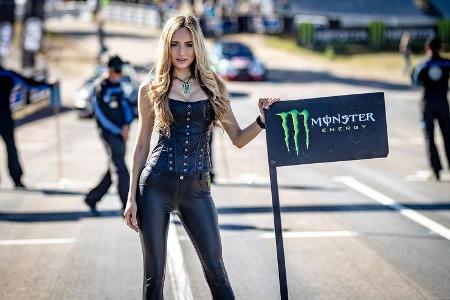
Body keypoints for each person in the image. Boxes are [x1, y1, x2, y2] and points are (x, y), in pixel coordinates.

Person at [122, 15, 279, 299]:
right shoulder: (151, 88)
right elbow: (142, 144)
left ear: (198, 48)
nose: (181, 53)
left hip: (198, 190)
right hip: (155, 186)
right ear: (166, 47)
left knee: (216, 270)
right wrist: (132, 196)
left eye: (189, 45)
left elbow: (239, 139)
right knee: (154, 277)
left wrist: (262, 120)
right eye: (175, 45)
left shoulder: (214, 85)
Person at [84, 55, 134, 215]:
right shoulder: (99, 87)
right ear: (108, 69)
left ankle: (92, 198)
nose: (118, 74)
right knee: (120, 169)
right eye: (116, 70)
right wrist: (118, 130)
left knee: (114, 167)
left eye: (120, 70)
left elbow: (126, 106)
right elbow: (100, 115)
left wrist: (127, 125)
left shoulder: (118, 85)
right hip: (109, 134)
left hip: (121, 132)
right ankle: (126, 206)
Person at [0, 65, 52, 188]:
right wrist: (48, 84)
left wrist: (48, 84)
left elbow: (30, 83)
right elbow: (30, 84)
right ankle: (17, 179)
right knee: (11, 148)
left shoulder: (7, 74)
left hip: (5, 117)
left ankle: (17, 178)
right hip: (5, 117)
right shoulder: (8, 74)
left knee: (11, 148)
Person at [412, 37, 450, 181]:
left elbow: (415, 83)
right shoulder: (447, 63)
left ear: (427, 48)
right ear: (441, 48)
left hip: (427, 103)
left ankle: (436, 169)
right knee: (448, 136)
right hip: (443, 103)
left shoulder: (423, 65)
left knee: (430, 137)